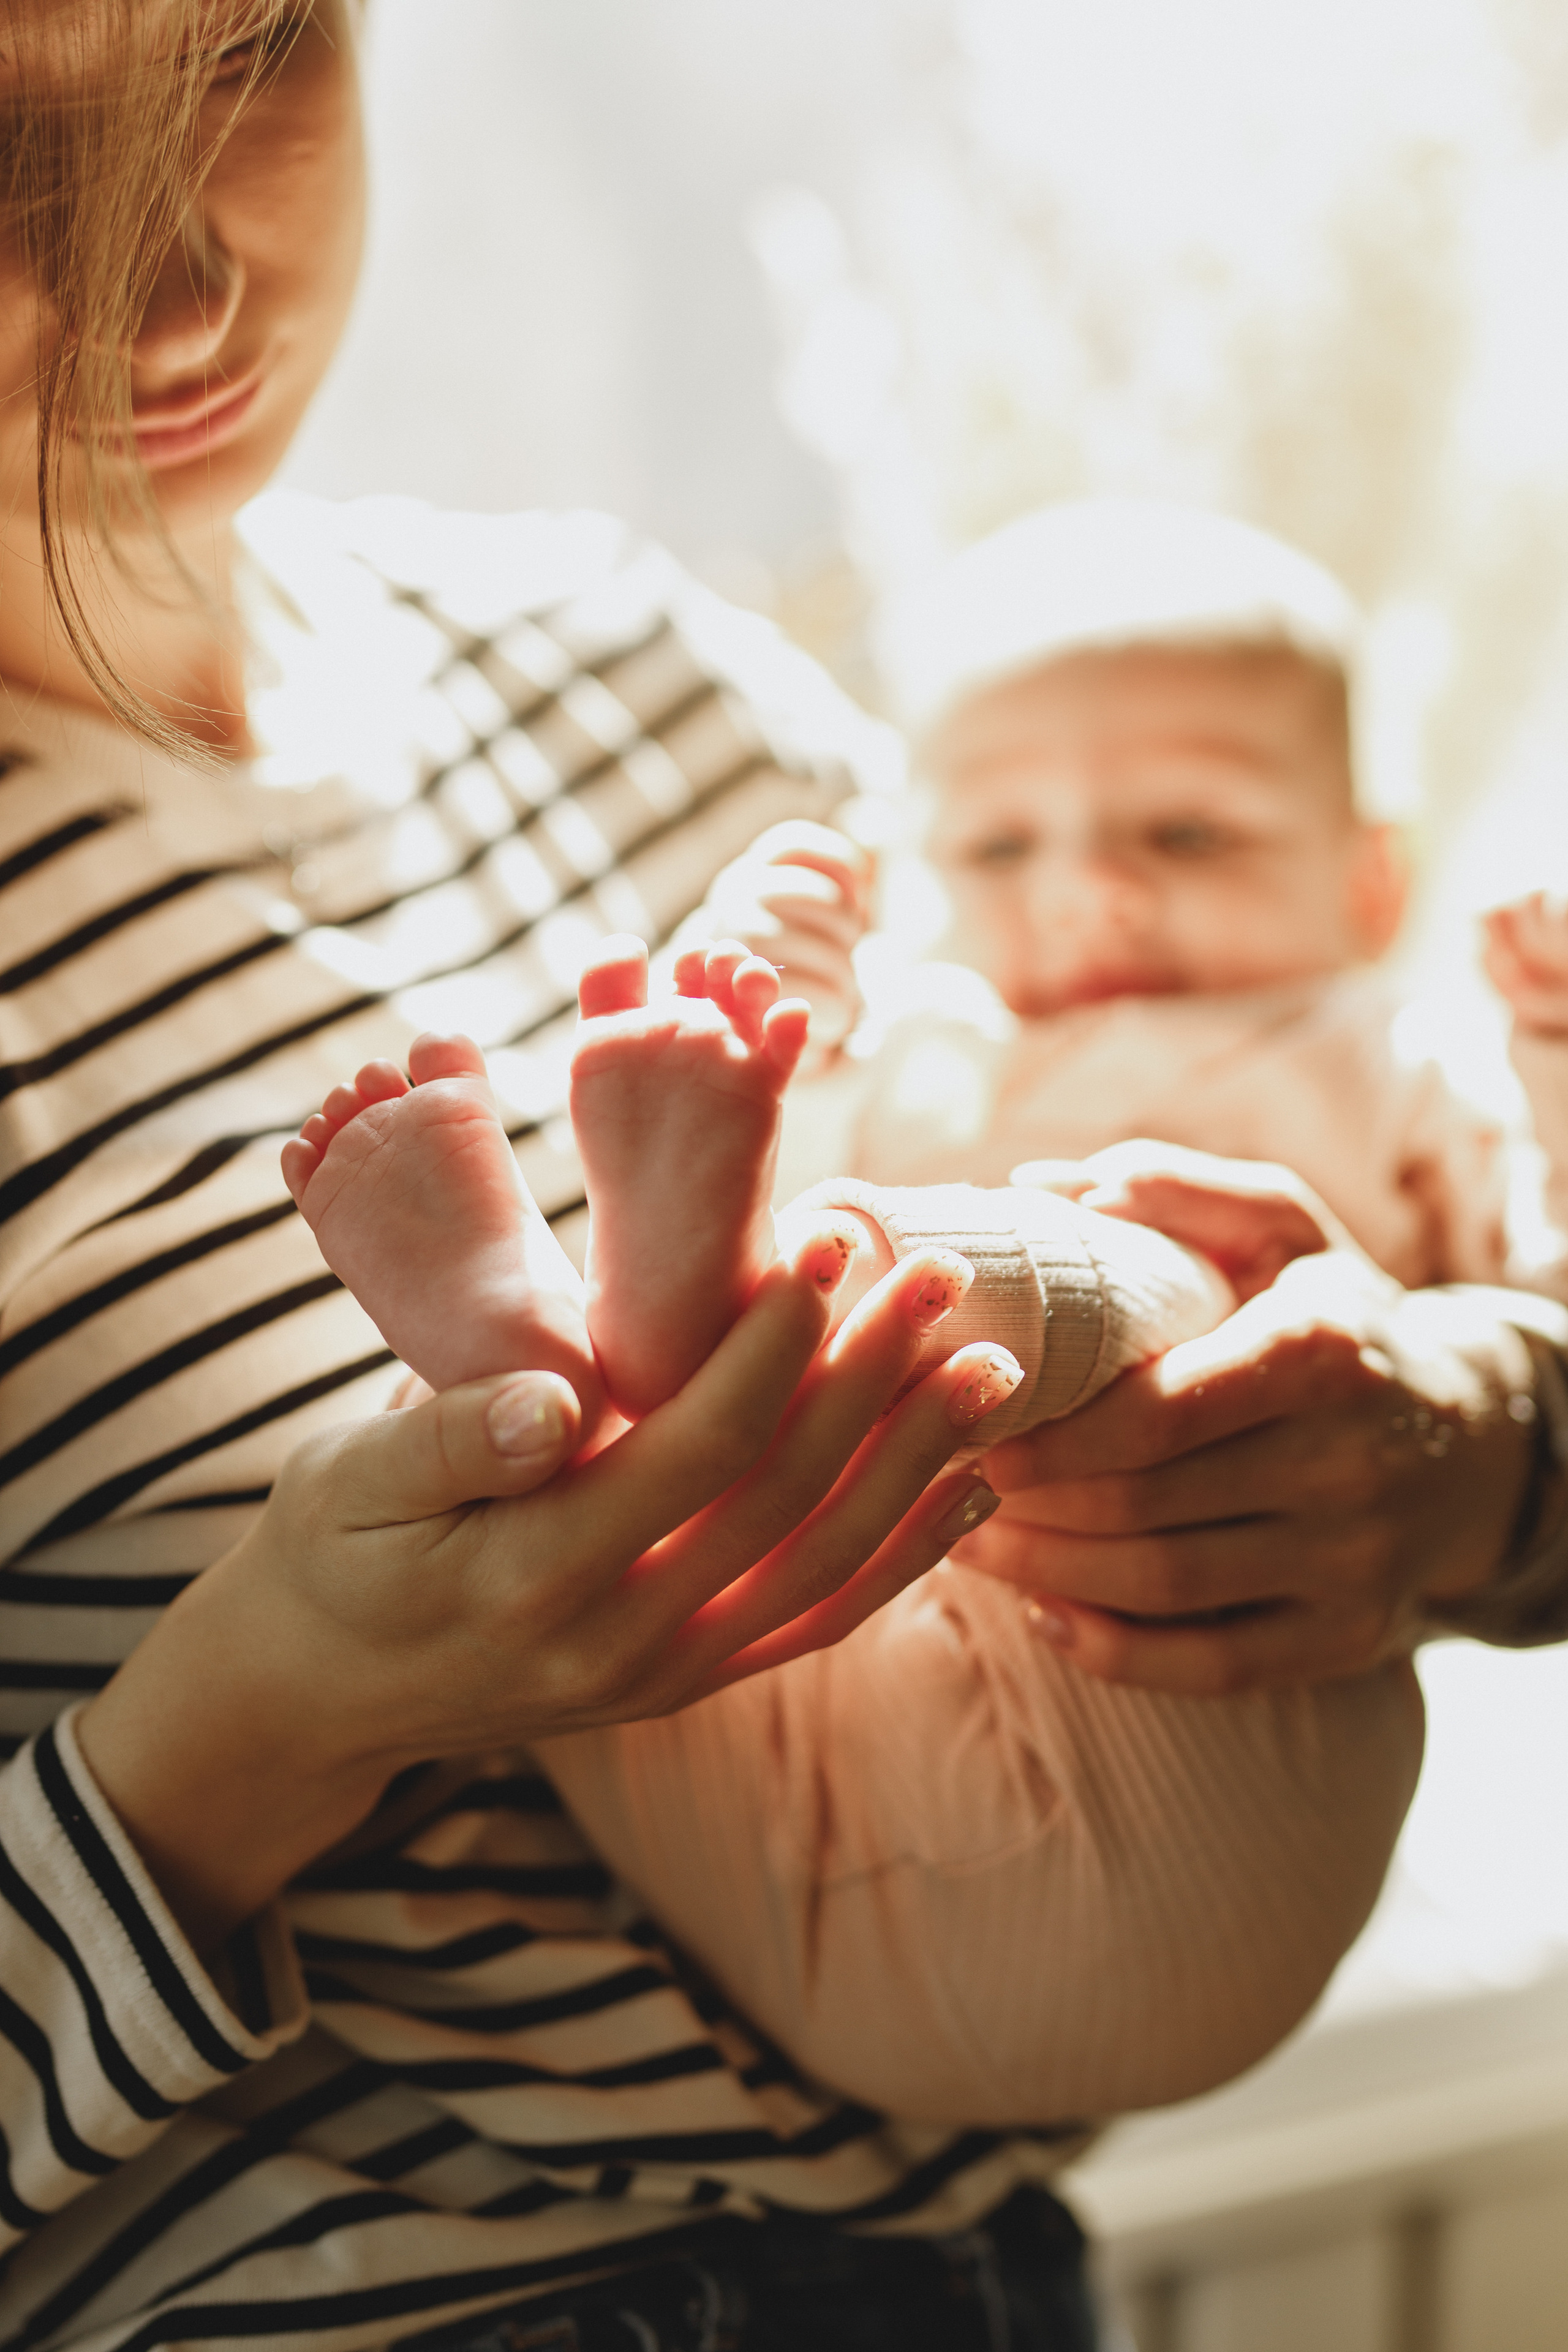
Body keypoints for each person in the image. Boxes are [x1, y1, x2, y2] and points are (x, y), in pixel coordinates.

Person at [0, 10, 1549, 2352]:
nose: (181, 291)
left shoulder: (647, 688)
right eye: (4, 160)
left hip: (983, 2274)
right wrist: (259, 1719)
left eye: (239, 59)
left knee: (997, 1289)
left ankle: (629, 1294)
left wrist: (1468, 1447)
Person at [704, 499, 1565, 1300]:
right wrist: (766, 1038)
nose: (1089, 892)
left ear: (1373, 885)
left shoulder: (1402, 1066)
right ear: (895, 874)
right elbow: (736, 1259)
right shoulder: (897, 1044)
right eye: (1000, 846)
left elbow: (1540, 1289)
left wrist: (1556, 1059)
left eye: (1188, 833)